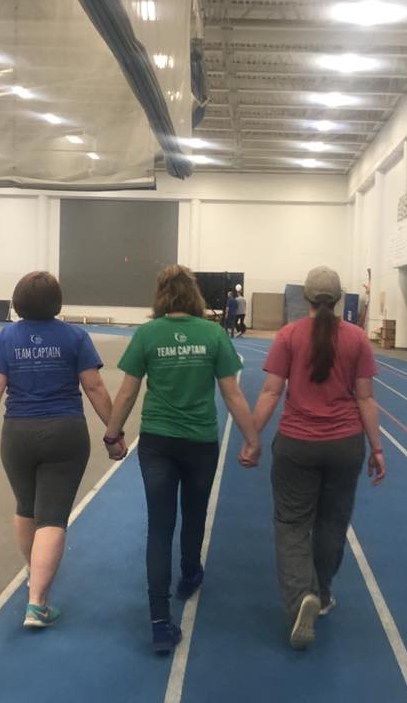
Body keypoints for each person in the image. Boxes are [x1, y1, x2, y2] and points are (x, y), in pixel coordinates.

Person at [103, 265, 260, 654]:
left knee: (159, 527)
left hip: (157, 442)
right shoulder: (212, 334)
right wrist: (252, 438)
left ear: (160, 295)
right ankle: (189, 573)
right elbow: (233, 394)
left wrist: (112, 433)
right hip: (199, 442)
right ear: (193, 295)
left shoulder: (147, 334)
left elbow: (126, 393)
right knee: (193, 514)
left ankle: (159, 622)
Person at [0, 271, 123, 629]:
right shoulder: (75, 336)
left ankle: (32, 572)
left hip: (18, 433)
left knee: (26, 507)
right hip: (64, 431)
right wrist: (113, 432)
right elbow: (95, 387)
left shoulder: (5, 338)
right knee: (52, 515)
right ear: (57, 302)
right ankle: (37, 603)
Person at [247, 265, 385, 650]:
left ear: (304, 298)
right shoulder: (357, 339)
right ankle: (321, 594)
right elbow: (365, 398)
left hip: (297, 445)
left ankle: (300, 599)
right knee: (332, 522)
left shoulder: (288, 336)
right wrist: (376, 448)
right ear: (340, 299)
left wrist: (251, 436)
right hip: (345, 447)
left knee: (292, 525)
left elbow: (271, 392)